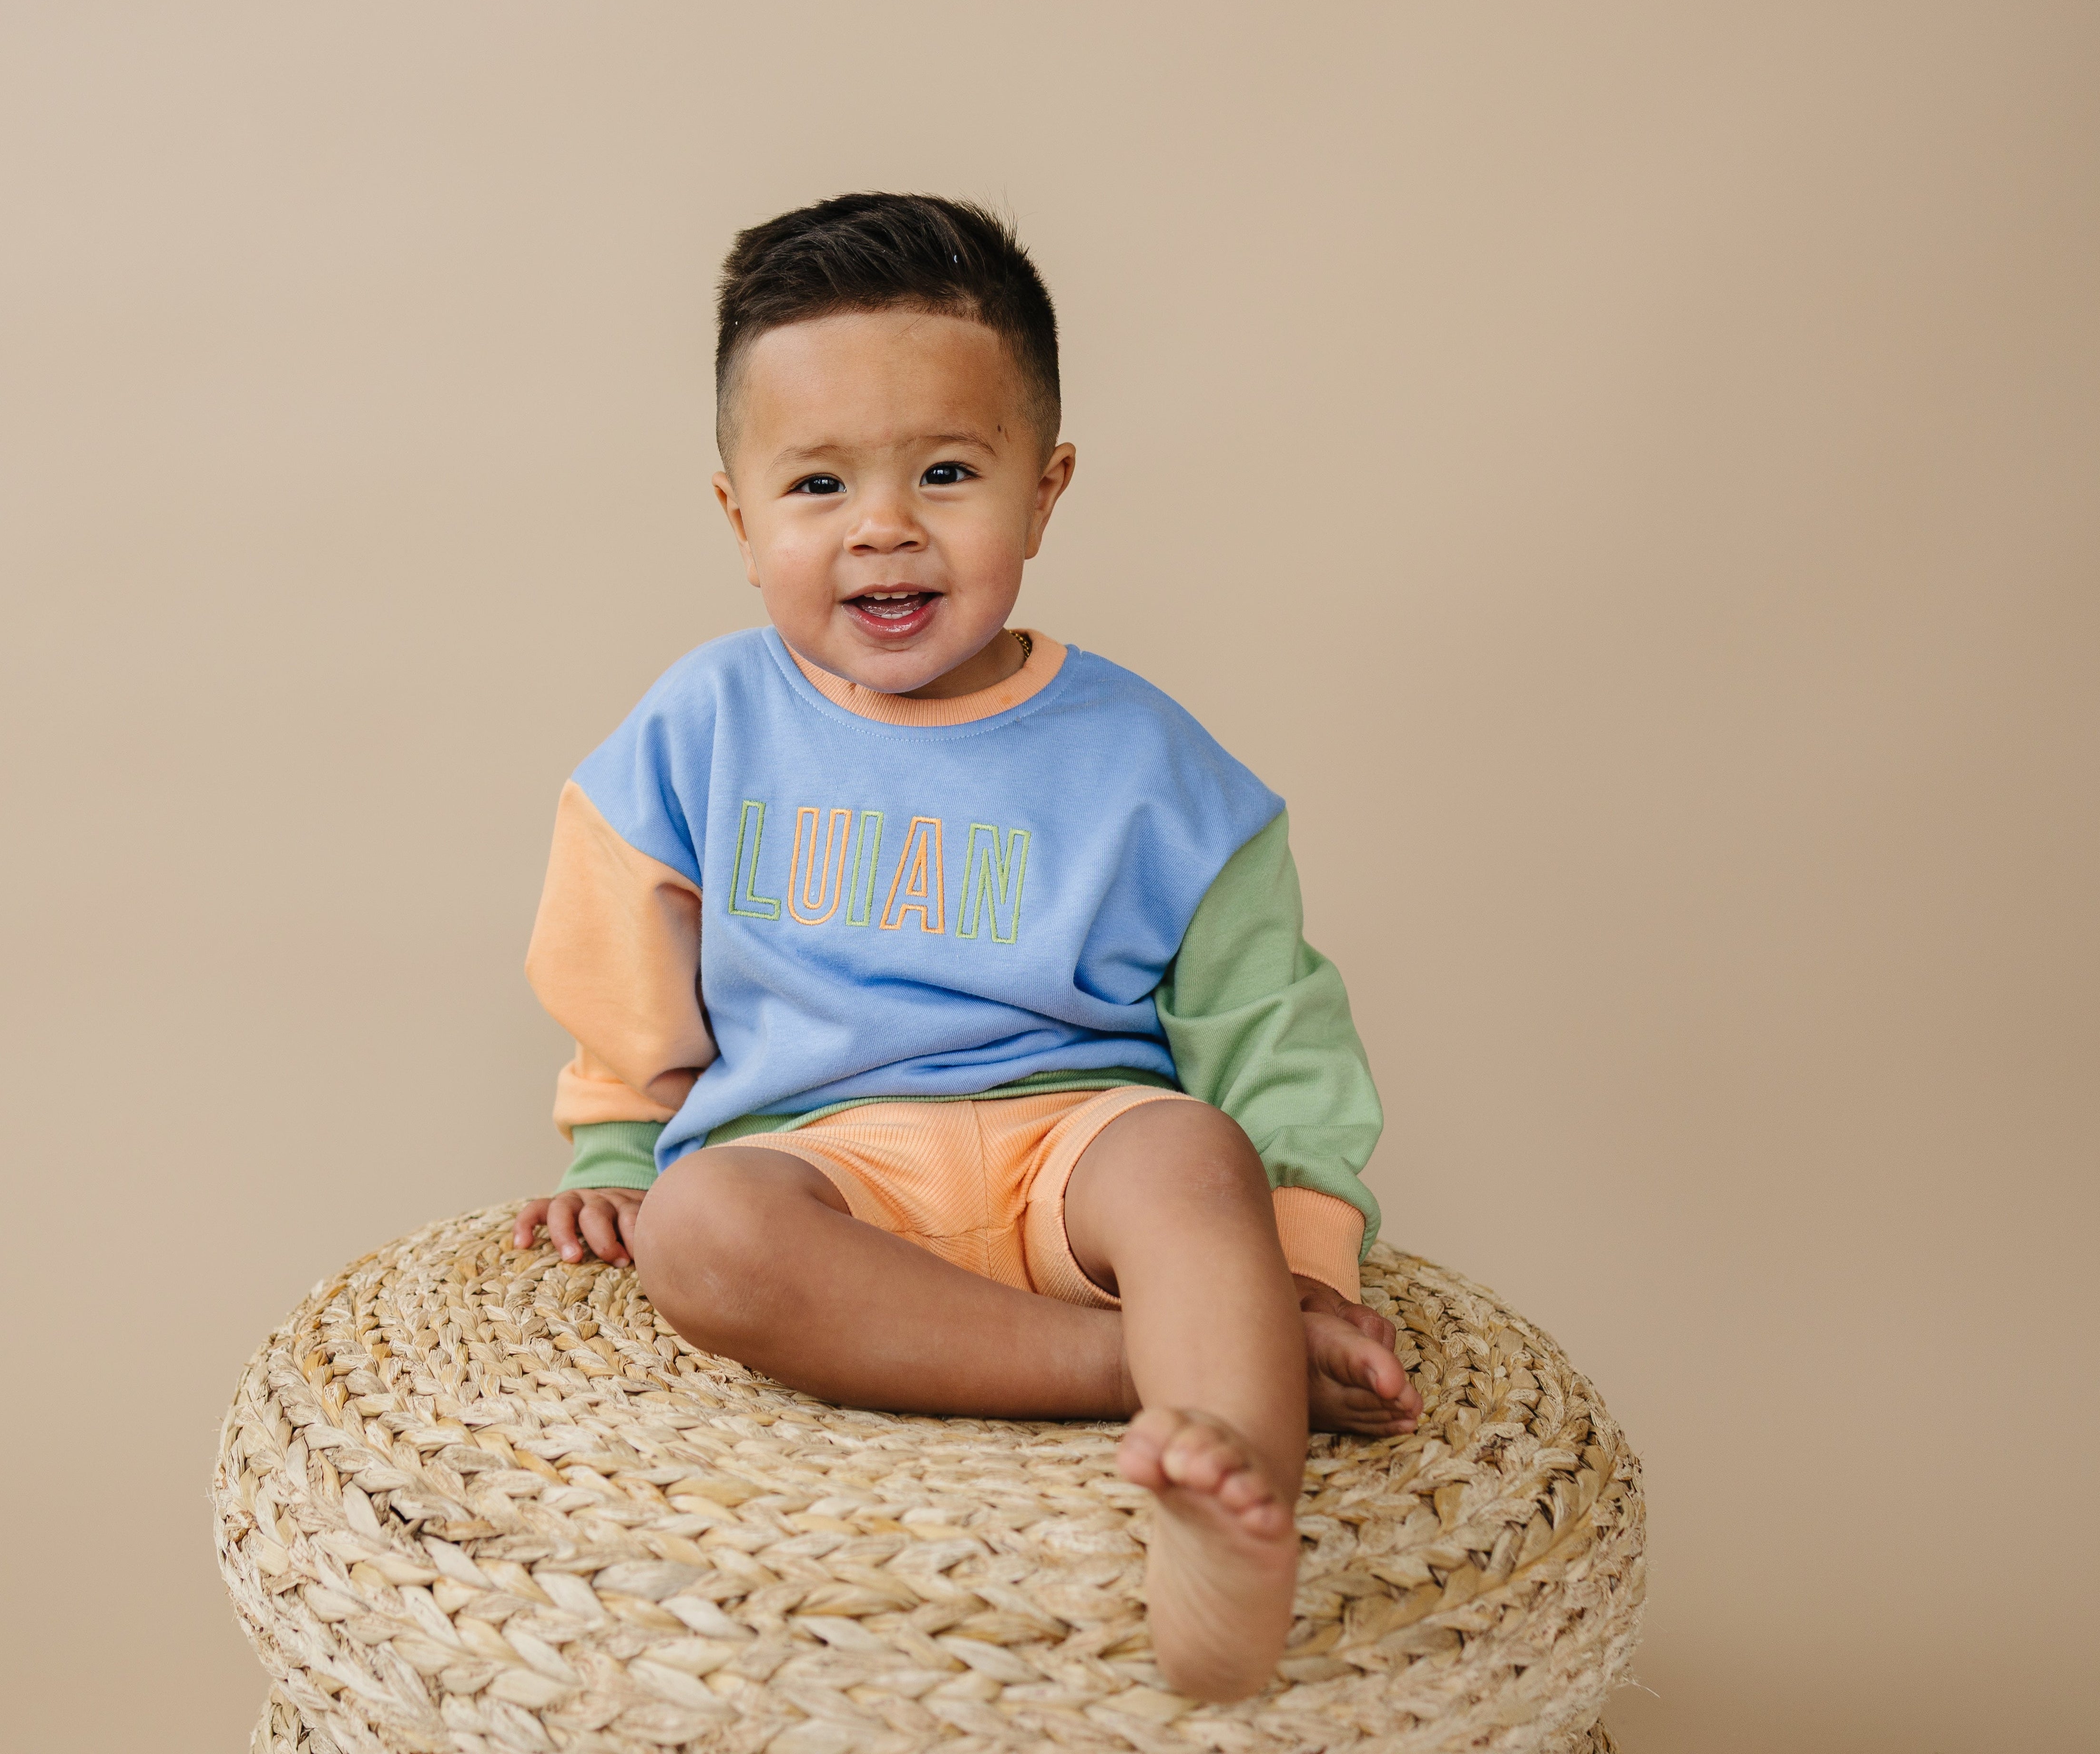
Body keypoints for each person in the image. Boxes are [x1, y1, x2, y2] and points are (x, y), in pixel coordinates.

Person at [509, 193, 1420, 1701]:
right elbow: (619, 958)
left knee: (1197, 1158)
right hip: (822, 1162)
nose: (884, 526)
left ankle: (1228, 1519)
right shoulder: (703, 726)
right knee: (700, 1230)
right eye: (818, 483)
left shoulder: (1150, 762)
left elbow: (1273, 1027)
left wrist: (1307, 1263)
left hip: (1078, 1150)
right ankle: (1155, 1372)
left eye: (946, 472)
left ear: (1044, 493)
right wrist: (615, 1148)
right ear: (739, 519)